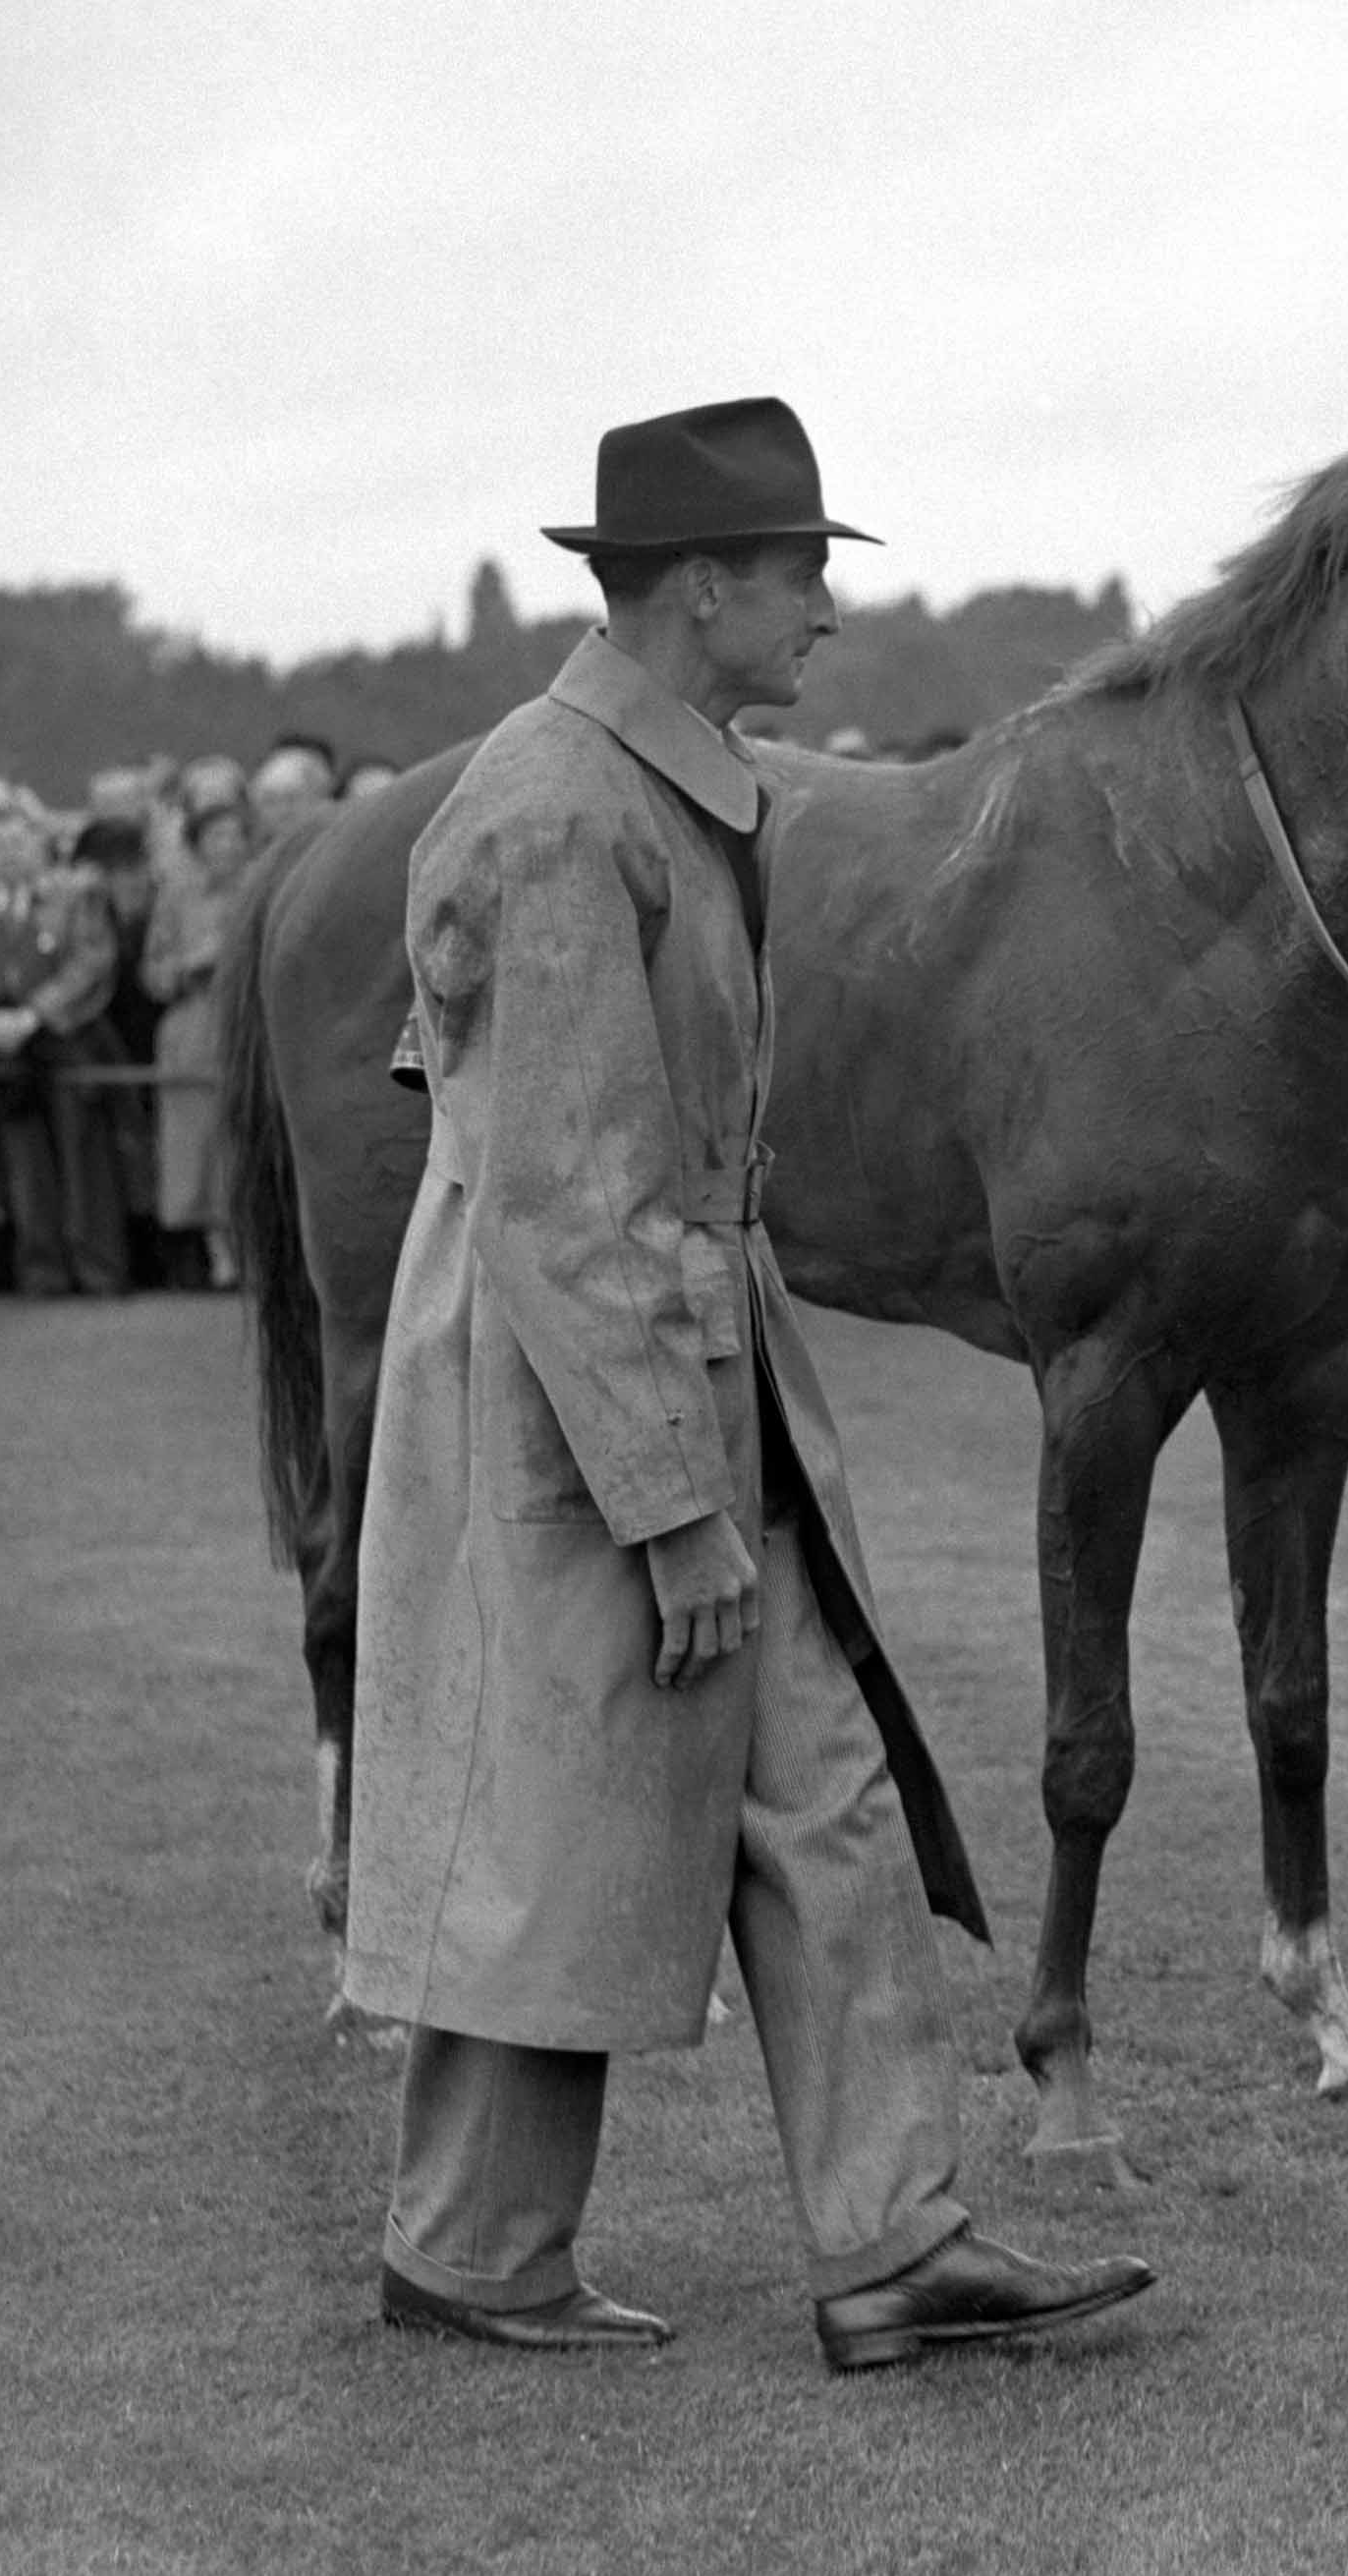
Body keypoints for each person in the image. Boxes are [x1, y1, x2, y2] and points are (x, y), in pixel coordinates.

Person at [341, 397, 1148, 2363]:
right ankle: (475, 2244)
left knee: (813, 1787)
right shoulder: (558, 809)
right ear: (702, 591)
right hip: (585, 1382)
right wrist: (673, 1500)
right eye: (801, 572)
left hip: (652, 1354)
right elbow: (562, 1188)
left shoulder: (632, 786)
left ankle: (888, 2238)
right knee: (563, 1802)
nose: (825, 611)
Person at [0, 805, 131, 1297]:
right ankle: (42, 1270)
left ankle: (98, 1269)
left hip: (66, 1042)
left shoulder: (75, 897)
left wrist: (35, 1014)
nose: (9, 854)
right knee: (22, 1164)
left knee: (85, 1161)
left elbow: (93, 959)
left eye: (18, 843)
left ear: (39, 844)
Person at [146, 802, 253, 1286]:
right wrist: (189, 964)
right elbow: (153, 974)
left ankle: (251, 1246)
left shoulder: (261, 886)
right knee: (197, 1143)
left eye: (234, 835)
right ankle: (216, 1253)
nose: (226, 846)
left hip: (248, 1019)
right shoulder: (175, 899)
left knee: (244, 1137)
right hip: (191, 1027)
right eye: (215, 837)